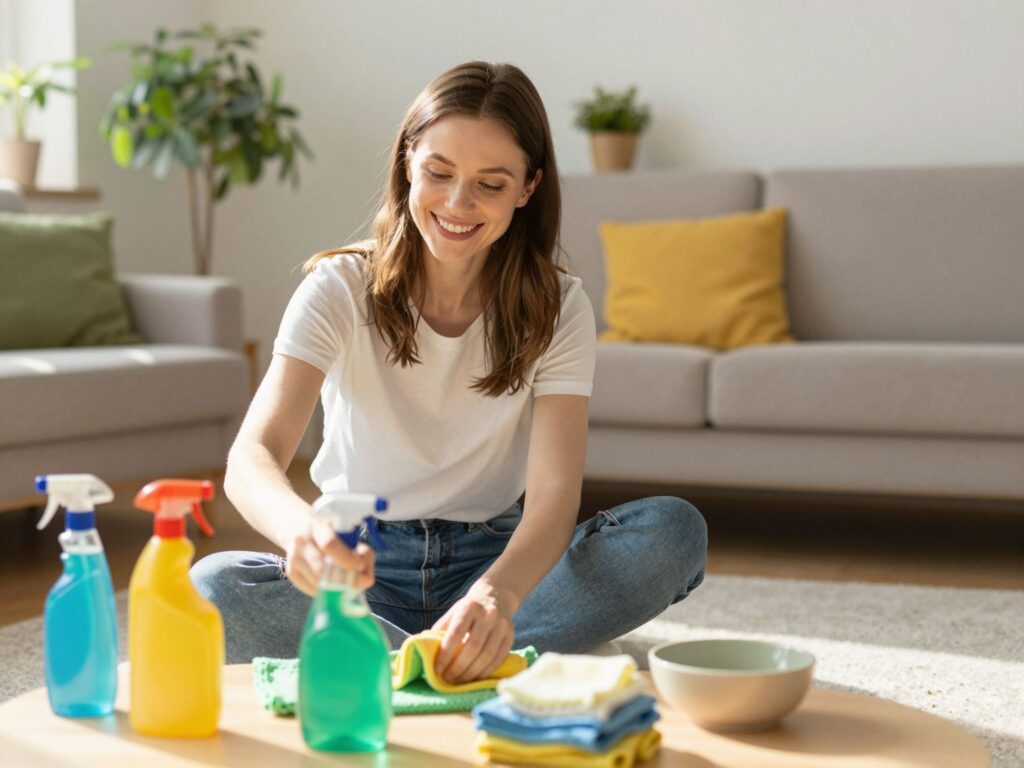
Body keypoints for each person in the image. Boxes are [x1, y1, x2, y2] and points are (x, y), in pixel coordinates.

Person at [190, 60, 707, 684]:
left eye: (491, 185)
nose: (458, 204)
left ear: (528, 187)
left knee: (674, 533)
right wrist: (299, 531)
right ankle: (460, 661)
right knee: (213, 583)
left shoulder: (557, 303)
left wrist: (497, 598)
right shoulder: (339, 287)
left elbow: (552, 499)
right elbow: (253, 457)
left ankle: (396, 659)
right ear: (408, 162)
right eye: (439, 173)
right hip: (357, 564)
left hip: (496, 560)